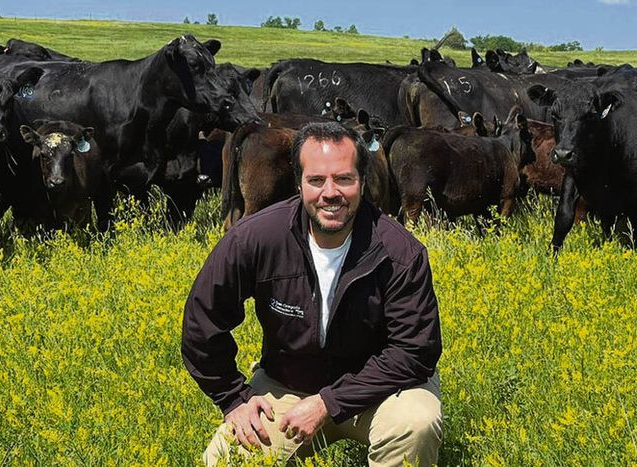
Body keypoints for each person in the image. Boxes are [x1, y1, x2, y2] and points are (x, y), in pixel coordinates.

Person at [182, 121, 443, 466]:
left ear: (363, 181)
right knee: (225, 461)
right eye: (316, 180)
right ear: (299, 182)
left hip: (380, 391)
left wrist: (327, 403)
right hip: (289, 385)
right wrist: (233, 398)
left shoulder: (400, 253)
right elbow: (202, 321)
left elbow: (414, 351)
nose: (330, 193)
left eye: (344, 179)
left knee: (416, 424)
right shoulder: (256, 239)